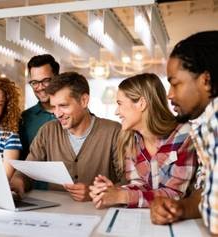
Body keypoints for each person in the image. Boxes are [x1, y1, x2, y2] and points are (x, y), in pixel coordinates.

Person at [89, 73, 197, 208]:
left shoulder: (183, 135)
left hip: (180, 222)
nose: (117, 112)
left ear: (141, 103)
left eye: (120, 104)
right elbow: (139, 184)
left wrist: (122, 196)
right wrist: (113, 192)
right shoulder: (130, 140)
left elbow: (175, 194)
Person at [11, 72, 122, 202]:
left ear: (84, 100)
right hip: (56, 214)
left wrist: (94, 192)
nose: (57, 114)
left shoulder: (114, 131)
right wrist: (16, 184)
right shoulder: (48, 131)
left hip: (101, 214)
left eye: (63, 106)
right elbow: (27, 170)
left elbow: (129, 183)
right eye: (54, 107)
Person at [150, 31, 218, 235]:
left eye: (175, 83)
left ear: (205, 80)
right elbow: (208, 193)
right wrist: (181, 208)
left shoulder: (214, 121)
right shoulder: (204, 123)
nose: (170, 94)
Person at [19, 54, 59, 161]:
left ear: (57, 78)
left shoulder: (71, 113)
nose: (40, 87)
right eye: (35, 82)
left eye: (46, 81)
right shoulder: (24, 119)